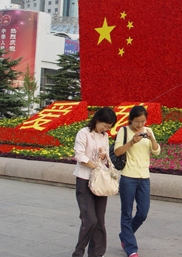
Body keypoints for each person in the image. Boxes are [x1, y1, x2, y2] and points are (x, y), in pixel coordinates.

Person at [114, 106, 161, 257]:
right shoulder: (124, 131)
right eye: (137, 122)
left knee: (142, 212)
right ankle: (131, 248)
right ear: (130, 120)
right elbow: (117, 151)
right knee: (126, 213)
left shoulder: (148, 130)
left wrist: (152, 138)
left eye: (143, 121)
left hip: (144, 177)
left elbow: (156, 151)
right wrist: (132, 142)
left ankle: (125, 235)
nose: (140, 125)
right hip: (128, 176)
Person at [72, 107, 117, 257]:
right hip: (84, 180)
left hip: (99, 182)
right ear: (97, 120)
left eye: (109, 127)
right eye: (105, 125)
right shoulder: (84, 133)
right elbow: (79, 155)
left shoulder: (104, 136)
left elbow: (105, 158)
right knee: (89, 219)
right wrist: (95, 166)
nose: (106, 129)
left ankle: (97, 253)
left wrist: (103, 157)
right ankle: (78, 253)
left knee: (99, 220)